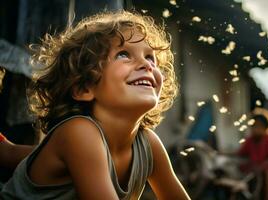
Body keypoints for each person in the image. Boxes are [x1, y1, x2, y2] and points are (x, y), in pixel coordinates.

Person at [0, 11, 190, 200]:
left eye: (150, 57)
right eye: (123, 54)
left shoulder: (148, 144)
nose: (146, 64)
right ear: (84, 87)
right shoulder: (79, 132)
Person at [237, 113, 268, 200]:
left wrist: (260, 167)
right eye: (254, 126)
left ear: (265, 127)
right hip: (254, 169)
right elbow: (239, 153)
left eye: (259, 126)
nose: (256, 129)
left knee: (267, 173)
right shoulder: (250, 139)